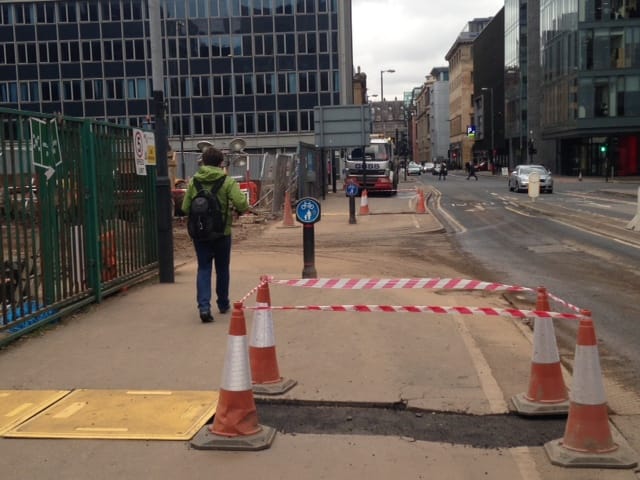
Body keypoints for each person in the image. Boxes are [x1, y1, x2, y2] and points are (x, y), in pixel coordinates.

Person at [181, 147, 250, 323]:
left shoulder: (194, 181)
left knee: (203, 268)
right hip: (222, 232)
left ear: (203, 162)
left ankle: (204, 307)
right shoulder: (227, 181)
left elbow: (185, 207)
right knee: (222, 269)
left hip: (200, 232)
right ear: (221, 163)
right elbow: (242, 203)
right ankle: (223, 303)